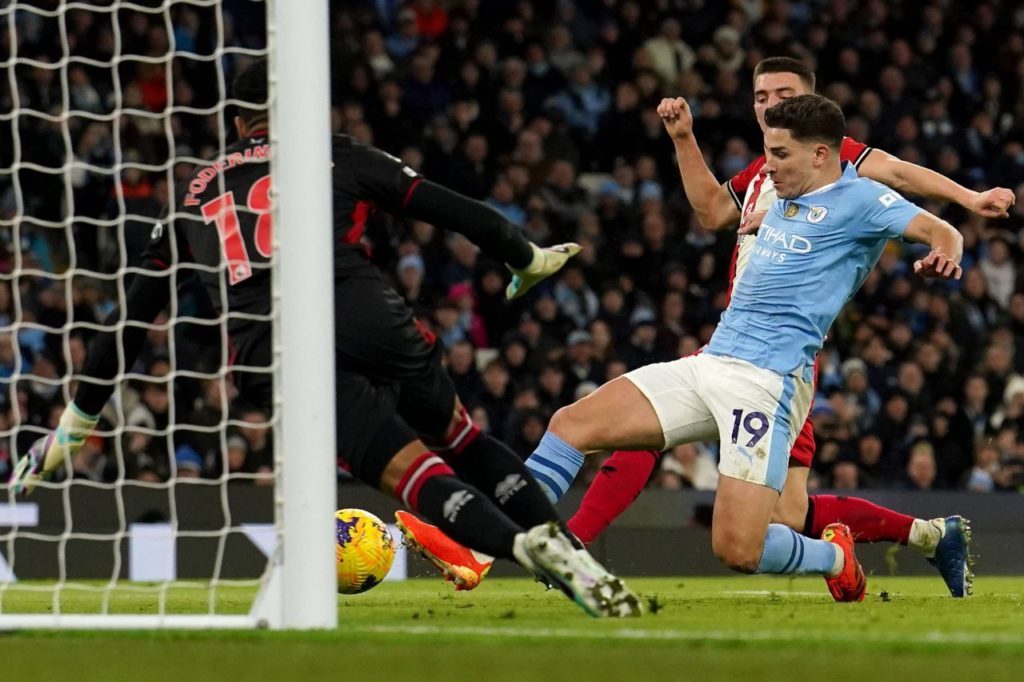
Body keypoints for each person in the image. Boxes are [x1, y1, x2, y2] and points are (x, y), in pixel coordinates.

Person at [8, 59, 640, 618]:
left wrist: (73, 430)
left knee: (410, 471)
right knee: (462, 439)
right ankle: (576, 558)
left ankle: (520, 547)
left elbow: (130, 321)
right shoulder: (333, 151)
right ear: (294, 105)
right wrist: (525, 257)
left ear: (236, 124)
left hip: (271, 348)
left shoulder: (194, 193)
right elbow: (455, 210)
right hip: (366, 311)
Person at [539, 57, 998, 598]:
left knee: (756, 535)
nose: (771, 104)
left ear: (817, 128)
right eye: (761, 96)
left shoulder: (845, 173)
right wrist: (690, 143)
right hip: (716, 355)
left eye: (784, 94)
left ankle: (848, 552)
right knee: (576, 424)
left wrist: (959, 221)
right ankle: (503, 536)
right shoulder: (772, 177)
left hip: (773, 377)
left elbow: (907, 187)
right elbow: (714, 213)